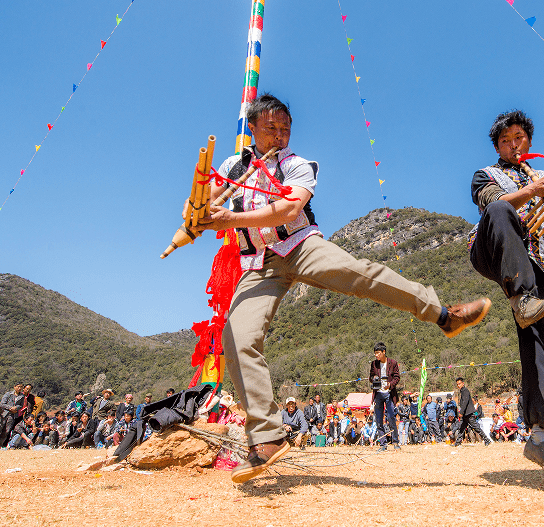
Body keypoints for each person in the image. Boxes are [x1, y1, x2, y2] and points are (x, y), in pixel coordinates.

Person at [190, 95, 491, 483]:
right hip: (258, 263)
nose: (280, 135)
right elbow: (204, 201)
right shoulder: (233, 166)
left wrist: (230, 218)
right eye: (271, 128)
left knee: (360, 273)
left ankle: (443, 315)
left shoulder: (297, 165)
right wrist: (196, 212)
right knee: (236, 336)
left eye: (286, 128)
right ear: (252, 128)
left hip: (299, 245)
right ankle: (265, 436)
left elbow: (287, 210)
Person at [468, 110, 544, 483]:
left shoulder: (541, 174)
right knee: (503, 207)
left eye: (518, 138)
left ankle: (541, 436)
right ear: (497, 147)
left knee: (539, 337)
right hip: (492, 249)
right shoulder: (486, 175)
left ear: (529, 141)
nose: (513, 145)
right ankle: (521, 297)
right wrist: (532, 192)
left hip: (534, 261)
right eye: (505, 141)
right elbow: (494, 204)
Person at [368, 342, 401, 449]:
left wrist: (390, 385)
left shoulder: (393, 363)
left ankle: (395, 442)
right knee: (378, 420)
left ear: (384, 352)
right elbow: (370, 377)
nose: (376, 355)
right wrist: (374, 379)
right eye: (375, 353)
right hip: (378, 394)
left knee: (391, 418)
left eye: (378, 353)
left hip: (389, 394)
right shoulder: (374, 364)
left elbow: (397, 377)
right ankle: (383, 444)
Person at [453, 378, 492, 446]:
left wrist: (461, 412)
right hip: (466, 413)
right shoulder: (462, 391)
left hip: (468, 413)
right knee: (462, 428)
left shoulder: (465, 391)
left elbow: (465, 402)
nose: (458, 385)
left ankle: (487, 439)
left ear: (463, 383)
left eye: (459, 383)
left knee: (476, 427)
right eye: (457, 384)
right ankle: (457, 442)